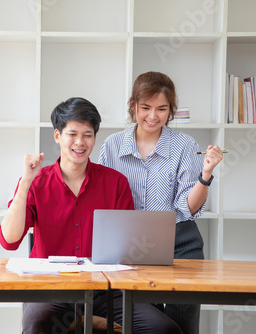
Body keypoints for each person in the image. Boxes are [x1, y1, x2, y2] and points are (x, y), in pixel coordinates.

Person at [0, 97, 182, 334]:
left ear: (95, 138)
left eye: (88, 135)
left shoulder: (115, 183)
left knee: (164, 329)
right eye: (72, 134)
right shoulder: (37, 182)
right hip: (51, 288)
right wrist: (25, 182)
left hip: (106, 289)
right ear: (57, 136)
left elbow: (128, 249)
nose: (80, 142)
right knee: (36, 325)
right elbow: (9, 241)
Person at [98, 71, 224, 334]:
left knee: (183, 323)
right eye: (145, 107)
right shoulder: (112, 145)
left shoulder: (184, 145)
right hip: (131, 245)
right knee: (146, 323)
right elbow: (104, 198)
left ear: (171, 110)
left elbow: (187, 208)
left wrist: (206, 174)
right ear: (133, 105)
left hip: (181, 241)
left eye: (161, 109)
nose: (153, 116)